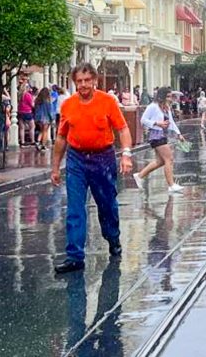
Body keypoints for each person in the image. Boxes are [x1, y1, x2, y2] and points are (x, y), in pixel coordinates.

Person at [51, 63, 133, 273]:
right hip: (76, 159)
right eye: (79, 81)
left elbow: (123, 129)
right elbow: (61, 138)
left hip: (102, 158)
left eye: (87, 80)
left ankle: (113, 238)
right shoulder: (68, 105)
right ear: (74, 82)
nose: (83, 85)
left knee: (107, 205)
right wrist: (55, 167)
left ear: (95, 80)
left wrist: (126, 154)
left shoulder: (107, 101)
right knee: (75, 208)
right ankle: (75, 256)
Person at [134, 87, 186, 194]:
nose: (170, 99)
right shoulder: (153, 106)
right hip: (156, 135)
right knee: (169, 159)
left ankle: (140, 175)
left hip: (163, 135)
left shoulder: (166, 107)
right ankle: (171, 185)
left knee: (160, 161)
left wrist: (178, 133)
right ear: (161, 97)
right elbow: (143, 120)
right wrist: (157, 123)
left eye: (170, 96)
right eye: (168, 96)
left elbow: (171, 122)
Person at [34, 87, 54, 152]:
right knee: (45, 131)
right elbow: (50, 111)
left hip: (38, 118)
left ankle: (38, 142)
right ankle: (43, 146)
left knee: (41, 131)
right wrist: (52, 118)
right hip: (46, 118)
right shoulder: (47, 100)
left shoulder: (37, 100)